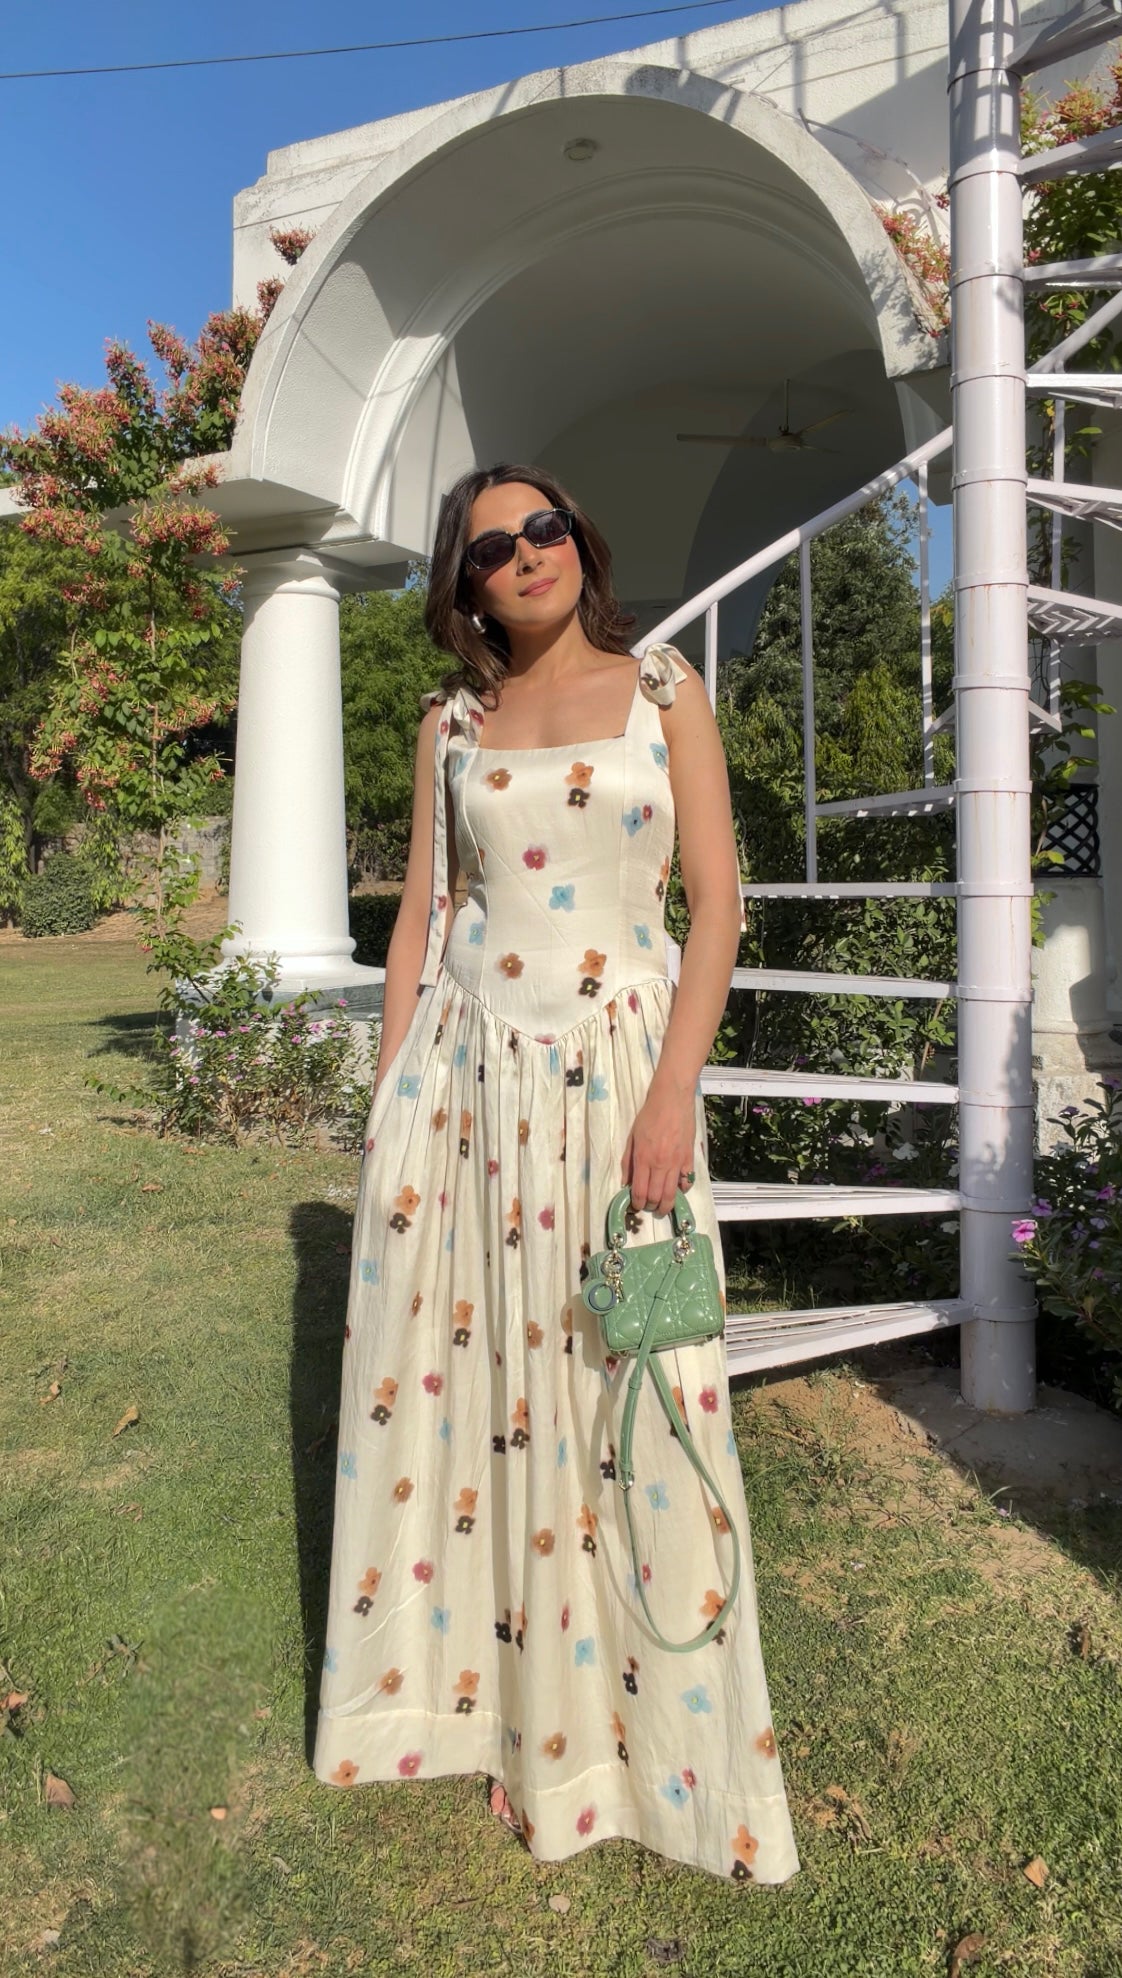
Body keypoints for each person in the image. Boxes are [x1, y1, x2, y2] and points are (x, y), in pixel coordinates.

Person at [312, 462, 801, 1885]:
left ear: (578, 541)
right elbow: (422, 913)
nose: (524, 555)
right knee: (477, 1398)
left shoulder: (664, 690)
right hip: (463, 1082)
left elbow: (717, 904)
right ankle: (493, 1716)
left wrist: (673, 1092)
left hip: (618, 1081)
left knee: (634, 1391)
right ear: (463, 590)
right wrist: (392, 1095)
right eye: (489, 549)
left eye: (542, 529)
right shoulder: (451, 723)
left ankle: (652, 1752)